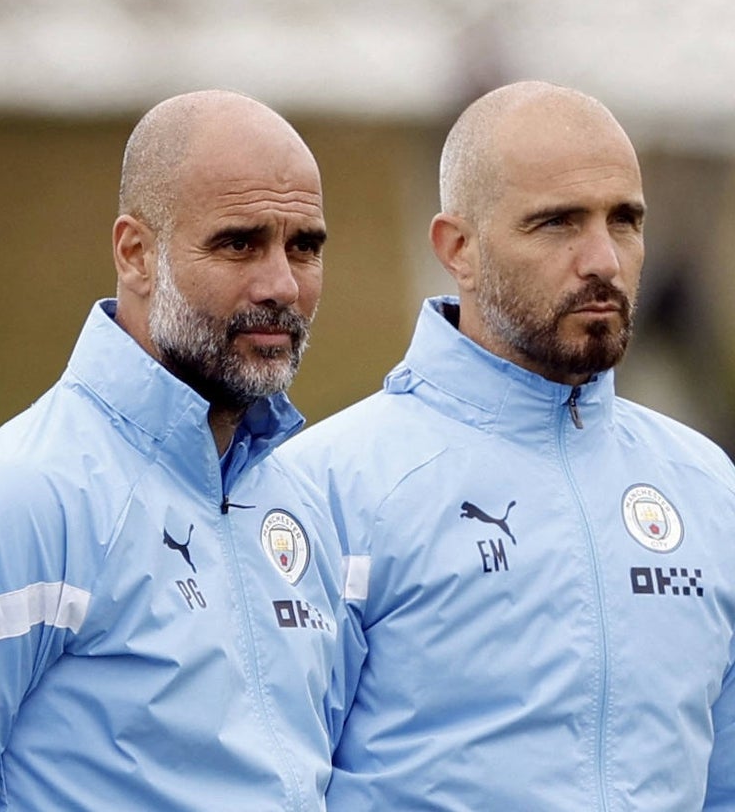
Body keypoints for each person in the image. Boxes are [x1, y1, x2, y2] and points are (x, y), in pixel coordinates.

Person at [0, 90, 365, 811]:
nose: (282, 284)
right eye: (238, 243)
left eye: (305, 247)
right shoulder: (13, 504)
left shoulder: (299, 507)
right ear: (136, 254)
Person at [282, 80, 735, 809]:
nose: (604, 261)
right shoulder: (321, 490)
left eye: (624, 221)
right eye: (558, 223)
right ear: (457, 248)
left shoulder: (707, 487)